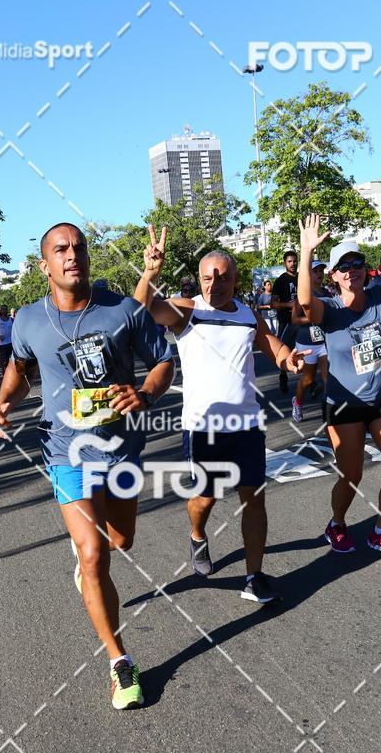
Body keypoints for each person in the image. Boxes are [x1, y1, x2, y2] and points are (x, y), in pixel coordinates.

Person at [0, 222, 174, 710]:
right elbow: (20, 369)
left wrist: (145, 393)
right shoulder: (28, 319)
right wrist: (2, 404)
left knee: (122, 541)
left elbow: (163, 362)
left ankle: (91, 568)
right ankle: (120, 663)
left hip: (122, 447)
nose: (73, 256)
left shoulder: (123, 311)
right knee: (93, 555)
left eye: (79, 248)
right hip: (65, 450)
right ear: (45, 265)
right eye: (61, 250)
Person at [134, 226, 308, 603]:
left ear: (235, 278)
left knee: (254, 498)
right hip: (204, 428)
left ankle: (254, 576)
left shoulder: (246, 314)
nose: (216, 283)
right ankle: (198, 535)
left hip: (247, 425)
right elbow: (144, 305)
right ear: (199, 280)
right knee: (205, 498)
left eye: (224, 276)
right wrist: (150, 273)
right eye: (209, 277)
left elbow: (270, 344)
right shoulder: (187, 311)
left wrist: (286, 358)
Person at [297, 211, 381, 560]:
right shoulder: (327, 309)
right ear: (333, 276)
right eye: (343, 266)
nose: (351, 270)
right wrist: (306, 253)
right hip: (344, 404)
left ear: (366, 268)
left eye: (357, 262)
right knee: (352, 474)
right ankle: (337, 523)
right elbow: (303, 302)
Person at [290, 261, 330, 422]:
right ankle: (297, 402)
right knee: (308, 380)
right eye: (315, 271)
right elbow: (294, 319)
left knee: (328, 379)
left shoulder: (327, 292)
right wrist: (312, 318)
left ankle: (328, 412)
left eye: (321, 270)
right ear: (308, 274)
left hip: (324, 342)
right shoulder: (303, 294)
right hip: (306, 344)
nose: (319, 273)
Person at [271, 251, 299, 394]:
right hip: (286, 321)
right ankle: (283, 375)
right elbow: (273, 304)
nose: (293, 263)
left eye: (295, 261)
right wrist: (289, 305)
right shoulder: (280, 281)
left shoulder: (303, 278)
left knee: (309, 348)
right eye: (290, 261)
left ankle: (311, 381)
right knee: (284, 350)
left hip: (303, 320)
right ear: (284, 263)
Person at [0, 305, 14, 376]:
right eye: (3, 309)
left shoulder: (11, 319)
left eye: (6, 309)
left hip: (12, 343)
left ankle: (12, 374)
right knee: (5, 361)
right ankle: (5, 372)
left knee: (14, 360)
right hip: (3, 344)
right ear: (0, 311)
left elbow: (16, 330)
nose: (4, 310)